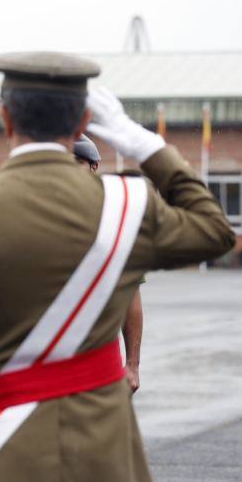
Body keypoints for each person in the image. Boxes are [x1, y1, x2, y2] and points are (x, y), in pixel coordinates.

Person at [0, 51, 235, 482]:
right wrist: (142, 144)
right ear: (83, 124)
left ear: (4, 117)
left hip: (2, 455)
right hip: (101, 460)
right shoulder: (128, 206)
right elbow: (214, 231)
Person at [73, 134, 144, 393]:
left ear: (93, 166)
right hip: (41, 354)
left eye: (77, 161)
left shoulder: (115, 220)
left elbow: (130, 297)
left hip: (99, 352)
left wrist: (132, 365)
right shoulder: (33, 215)